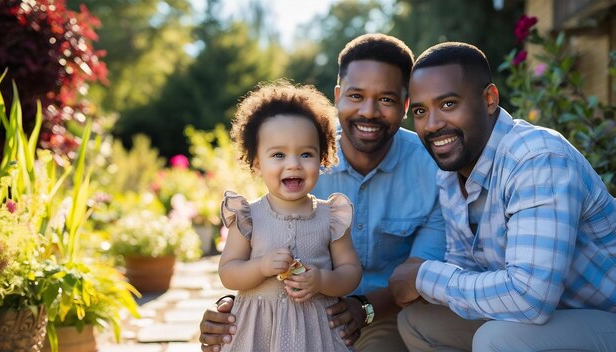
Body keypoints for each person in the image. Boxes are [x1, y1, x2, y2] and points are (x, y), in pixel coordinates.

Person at [200, 33, 446, 352]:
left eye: (386, 99)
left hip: (382, 314)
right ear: (338, 95)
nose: (369, 112)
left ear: (405, 104)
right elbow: (249, 252)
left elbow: (422, 272)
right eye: (356, 96)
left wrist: (365, 308)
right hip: (279, 316)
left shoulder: (432, 169)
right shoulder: (295, 152)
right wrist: (230, 306)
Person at [390, 41, 616, 351]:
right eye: (420, 111)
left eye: (448, 104)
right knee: (419, 322)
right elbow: (463, 268)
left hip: (606, 318)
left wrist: (422, 276)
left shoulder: (537, 159)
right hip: (549, 320)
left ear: (489, 99)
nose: (432, 125)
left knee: (496, 340)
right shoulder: (449, 174)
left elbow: (530, 299)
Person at [218, 80, 362, 352]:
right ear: (257, 162)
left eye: (306, 153)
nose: (293, 164)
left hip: (317, 331)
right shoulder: (248, 216)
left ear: (322, 157)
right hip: (258, 330)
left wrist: (322, 280)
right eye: (279, 155)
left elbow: (350, 272)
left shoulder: (331, 216)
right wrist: (260, 267)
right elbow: (228, 272)